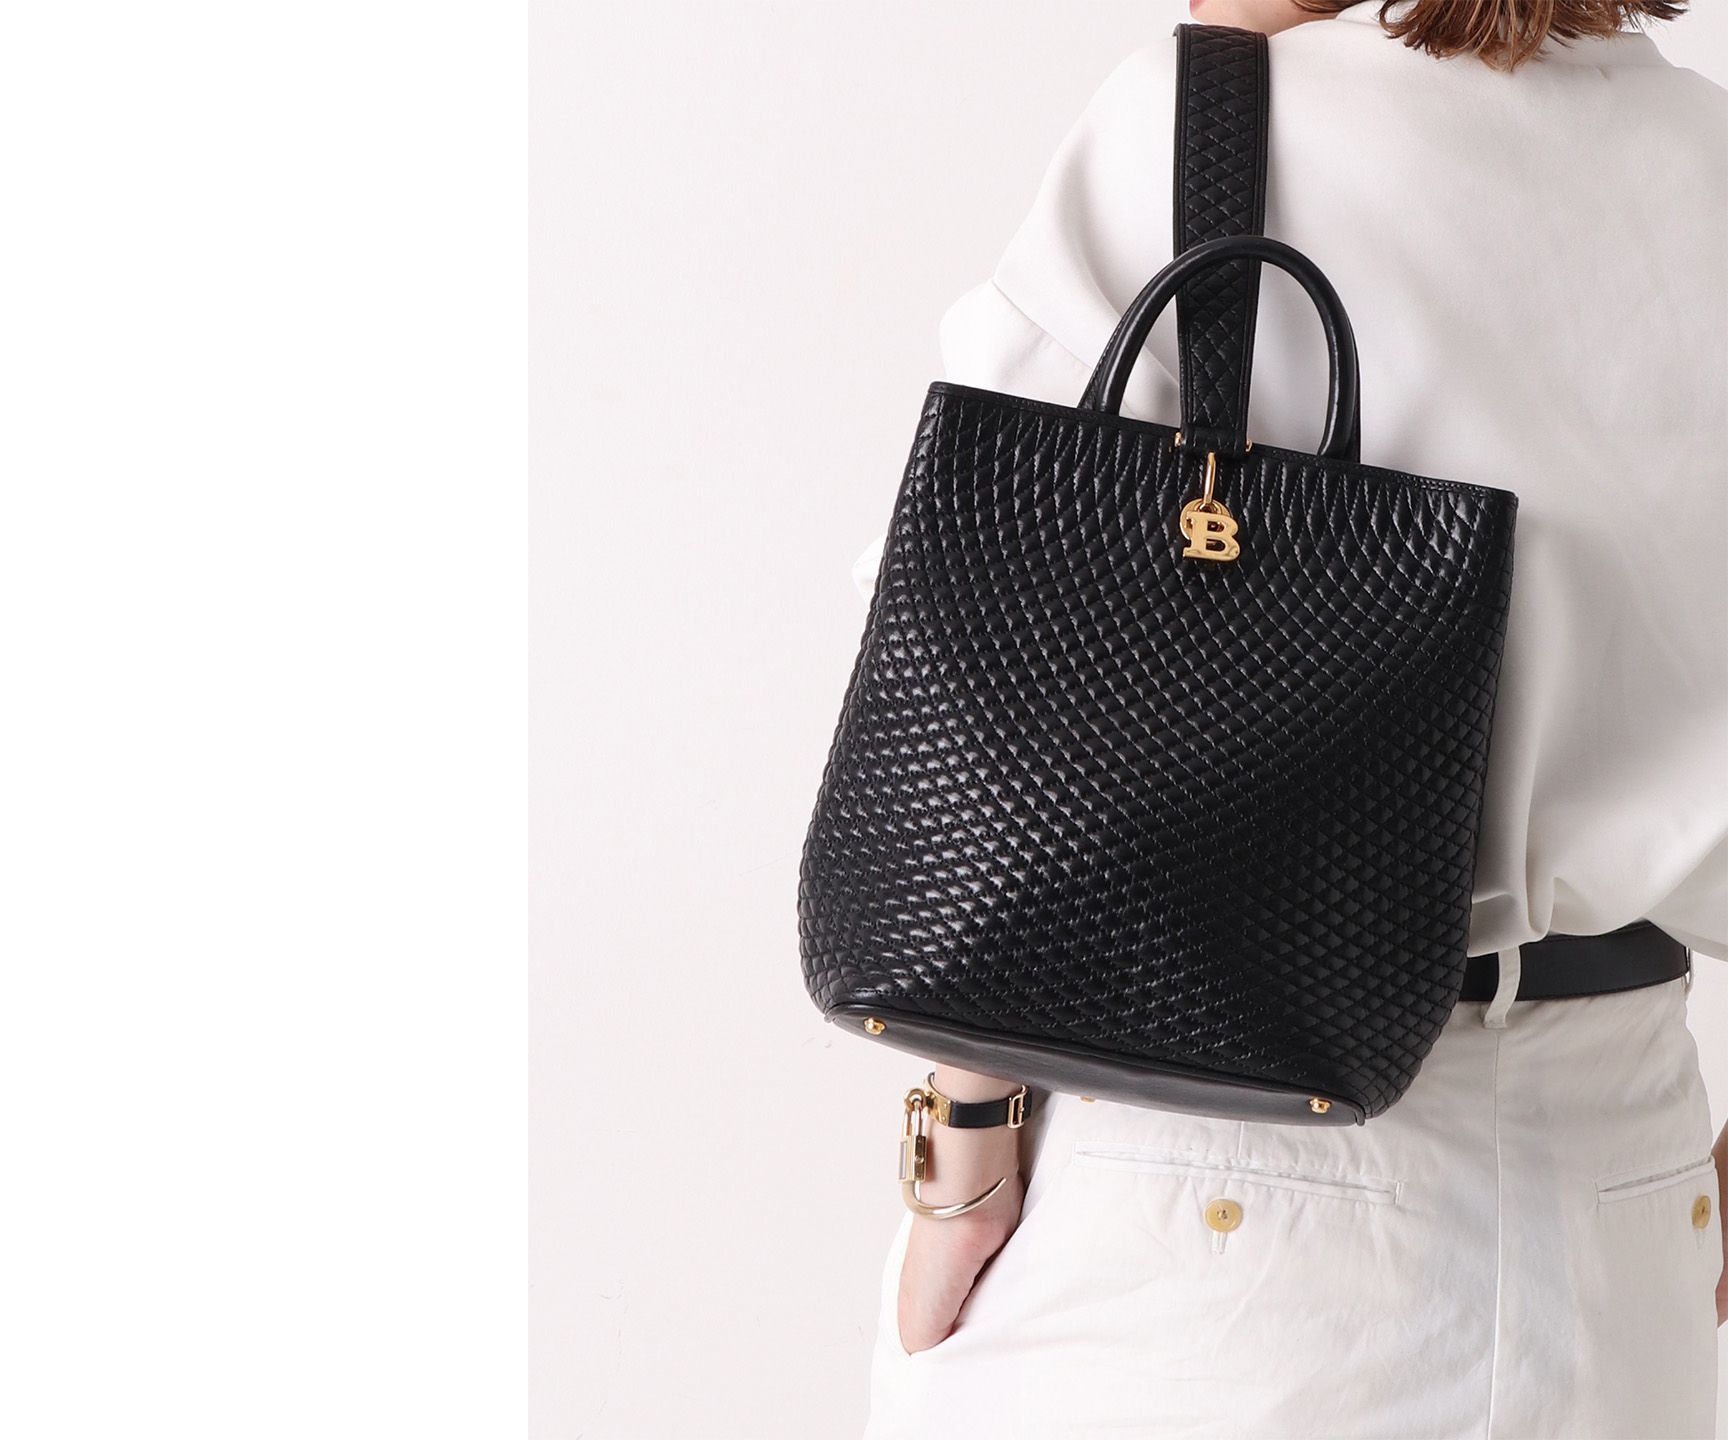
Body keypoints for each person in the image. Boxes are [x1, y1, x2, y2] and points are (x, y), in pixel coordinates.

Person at [850, 1, 1728, 1435]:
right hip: (1628, 1203)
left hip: (1214, 1192)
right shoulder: (1709, 163)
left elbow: (985, 678)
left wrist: (966, 1142)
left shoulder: (1210, 128)